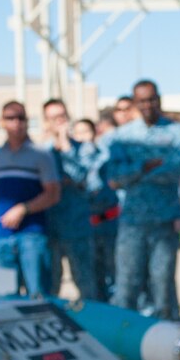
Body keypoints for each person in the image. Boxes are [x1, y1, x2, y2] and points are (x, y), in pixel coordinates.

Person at [103, 79, 180, 320]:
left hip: (164, 221)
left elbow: (175, 171)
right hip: (132, 223)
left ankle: (167, 345)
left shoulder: (176, 132)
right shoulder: (122, 137)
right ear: (134, 103)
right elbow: (115, 177)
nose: (148, 105)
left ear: (159, 99)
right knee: (127, 286)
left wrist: (136, 174)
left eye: (152, 99)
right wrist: (144, 166)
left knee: (162, 287)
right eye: (142, 101)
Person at [0, 100, 60, 295]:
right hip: (1, 236)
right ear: (1, 122)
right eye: (10, 118)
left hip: (32, 235)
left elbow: (53, 194)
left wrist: (23, 209)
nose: (16, 123)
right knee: (4, 296)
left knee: (38, 294)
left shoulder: (41, 155)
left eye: (21, 118)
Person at [41, 99, 96, 298]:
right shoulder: (42, 153)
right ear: (46, 122)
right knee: (51, 285)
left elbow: (82, 178)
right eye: (53, 118)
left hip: (77, 228)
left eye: (62, 117)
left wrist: (66, 147)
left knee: (86, 283)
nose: (59, 122)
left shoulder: (84, 149)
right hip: (50, 229)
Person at [77, 117, 118, 300]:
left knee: (115, 272)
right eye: (77, 133)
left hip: (109, 223)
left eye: (85, 132)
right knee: (92, 276)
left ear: (94, 133)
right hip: (85, 227)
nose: (81, 137)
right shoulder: (70, 159)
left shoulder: (105, 156)